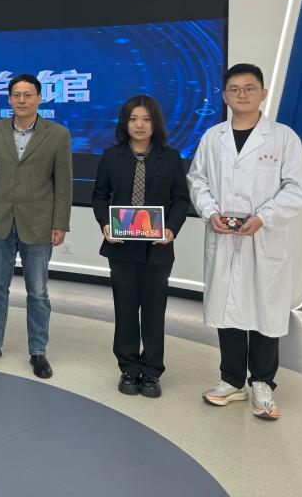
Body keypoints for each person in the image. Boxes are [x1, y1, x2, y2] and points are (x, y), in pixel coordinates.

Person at [188, 63, 302, 420]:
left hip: (264, 239)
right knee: (227, 307)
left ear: (263, 93)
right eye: (234, 89)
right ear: (225, 97)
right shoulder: (213, 138)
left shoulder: (283, 137)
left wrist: (264, 218)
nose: (242, 94)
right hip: (224, 236)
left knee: (264, 309)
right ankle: (231, 380)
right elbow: (198, 180)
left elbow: (297, 188)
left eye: (249, 88)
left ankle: (262, 384)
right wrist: (210, 212)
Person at [0, 73, 72, 379]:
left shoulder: (58, 134)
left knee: (38, 292)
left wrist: (60, 223)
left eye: (28, 95)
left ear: (40, 98)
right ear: (9, 99)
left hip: (38, 223)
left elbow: (63, 184)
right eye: (17, 95)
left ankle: (38, 351)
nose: (22, 100)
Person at [92, 95, 190, 398]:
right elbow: (100, 195)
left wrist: (171, 228)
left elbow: (180, 199)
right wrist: (105, 224)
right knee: (125, 310)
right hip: (121, 246)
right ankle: (128, 369)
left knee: (153, 312)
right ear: (125, 123)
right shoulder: (111, 156)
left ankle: (152, 372)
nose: (139, 125)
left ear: (155, 123)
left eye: (146, 119)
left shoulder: (170, 157)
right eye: (133, 119)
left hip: (158, 248)